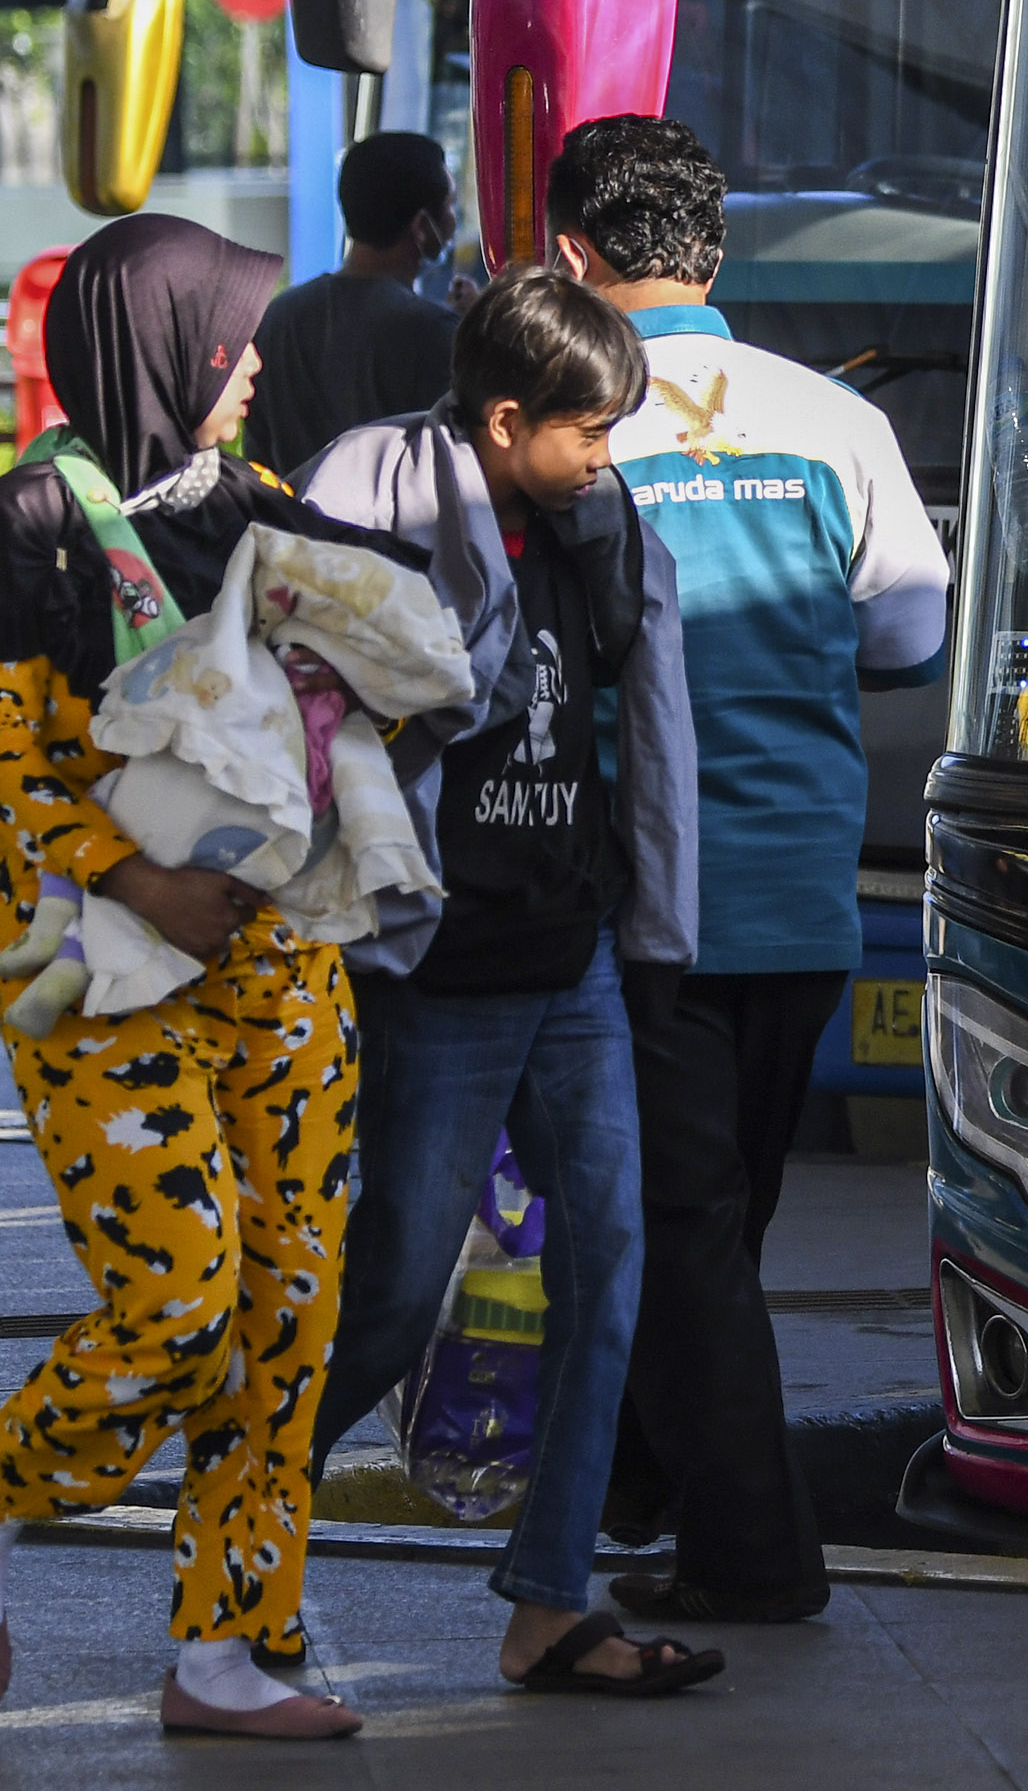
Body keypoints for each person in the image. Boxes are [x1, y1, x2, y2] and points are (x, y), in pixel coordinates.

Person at [0, 216, 387, 1737]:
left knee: (285, 1316)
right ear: (163, 343)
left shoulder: (258, 504)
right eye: (233, 341)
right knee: (179, 1300)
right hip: (94, 969)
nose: (252, 371)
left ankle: (230, 1652)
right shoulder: (27, 524)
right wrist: (138, 874)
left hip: (278, 968)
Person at [543, 116, 948, 1624]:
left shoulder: (567, 424)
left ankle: (752, 1553)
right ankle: (647, 1480)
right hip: (804, 888)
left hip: (644, 894)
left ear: (571, 255)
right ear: (714, 251)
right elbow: (908, 633)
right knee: (721, 1213)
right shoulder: (833, 417)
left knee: (679, 1225)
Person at [298, 271, 724, 1700]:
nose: (608, 454)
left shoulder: (599, 526)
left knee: (610, 1265)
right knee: (393, 1292)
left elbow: (647, 721)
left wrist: (653, 938)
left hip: (574, 952)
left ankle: (549, 1604)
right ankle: (244, 1508)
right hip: (442, 967)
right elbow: (321, 703)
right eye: (589, 428)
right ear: (502, 418)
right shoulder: (380, 502)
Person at [243, 132, 463, 475]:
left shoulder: (278, 317)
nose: (453, 220)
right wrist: (472, 337)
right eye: (449, 205)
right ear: (421, 225)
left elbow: (257, 456)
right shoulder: (434, 331)